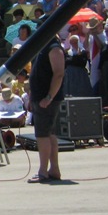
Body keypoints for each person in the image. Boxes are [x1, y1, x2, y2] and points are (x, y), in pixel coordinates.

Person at [27, 22, 65, 183]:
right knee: (49, 134)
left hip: (47, 99)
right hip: (40, 97)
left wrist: (49, 97)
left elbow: (59, 74)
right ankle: (54, 169)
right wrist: (31, 97)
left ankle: (43, 171)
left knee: (42, 135)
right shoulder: (43, 47)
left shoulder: (54, 48)